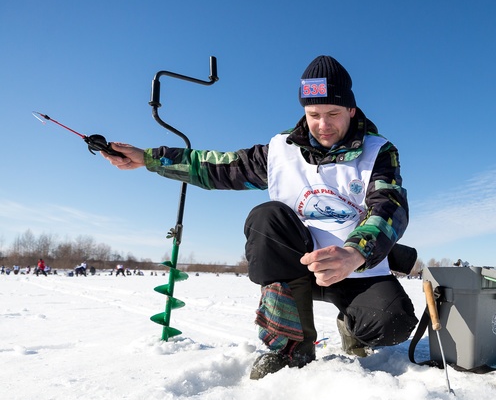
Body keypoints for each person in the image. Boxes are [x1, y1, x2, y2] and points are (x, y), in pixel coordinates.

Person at [99, 55, 417, 379]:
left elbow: (388, 206)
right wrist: (149, 159)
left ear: (351, 109)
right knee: (266, 218)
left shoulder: (379, 152)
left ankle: (351, 327)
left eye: (333, 113)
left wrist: (354, 253)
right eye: (314, 114)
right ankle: (292, 347)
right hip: (299, 269)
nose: (323, 125)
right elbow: (217, 166)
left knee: (393, 323)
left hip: (356, 269)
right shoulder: (281, 150)